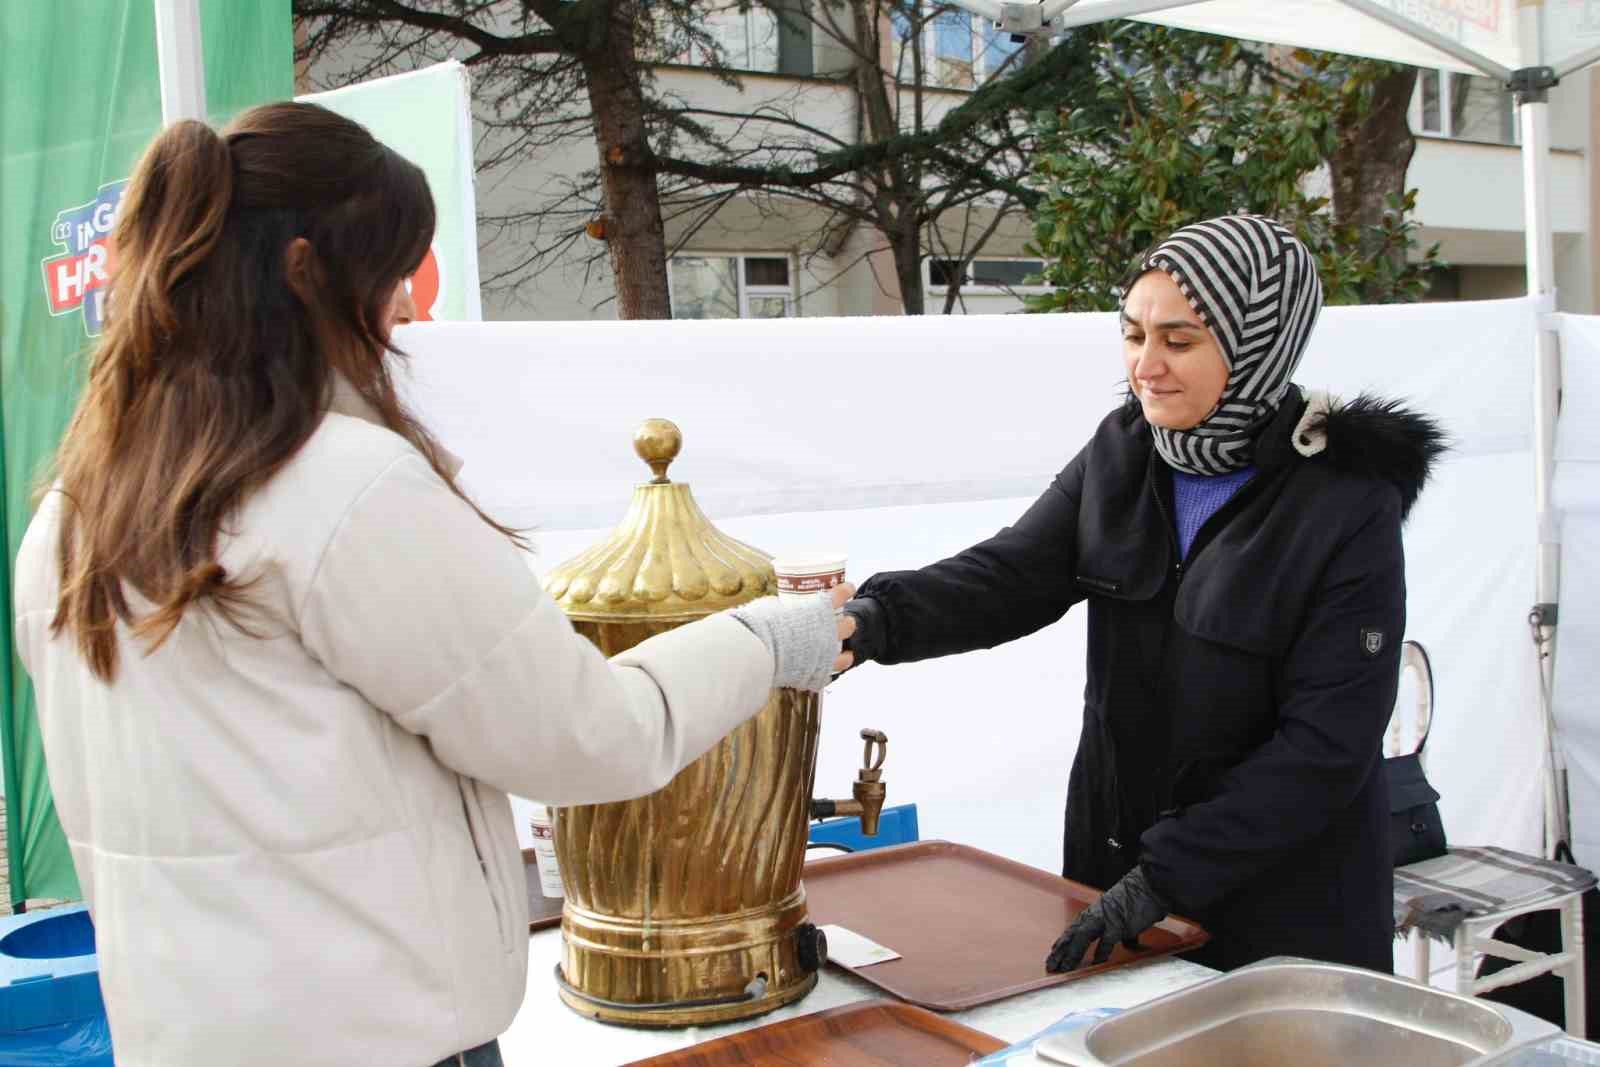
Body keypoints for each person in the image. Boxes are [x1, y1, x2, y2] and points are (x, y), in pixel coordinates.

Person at [12, 103, 848, 1067]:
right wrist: (771, 639)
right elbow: (589, 736)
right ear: (304, 273)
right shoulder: (340, 489)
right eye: (391, 274)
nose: (406, 308)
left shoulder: (72, 515)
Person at [839, 214, 1445, 975]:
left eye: (1179, 340)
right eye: (1134, 335)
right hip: (1117, 875)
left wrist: (1170, 873)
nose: (1146, 365)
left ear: (1259, 344)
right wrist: (869, 622)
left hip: (1283, 910)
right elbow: (1010, 575)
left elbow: (1327, 745)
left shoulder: (1344, 503)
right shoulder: (1122, 452)